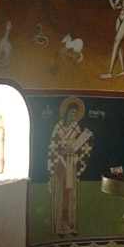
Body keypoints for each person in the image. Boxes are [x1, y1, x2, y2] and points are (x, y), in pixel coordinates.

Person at [48, 99, 93, 237]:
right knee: (60, 193)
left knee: (70, 193)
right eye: (72, 112)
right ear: (66, 112)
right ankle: (58, 226)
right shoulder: (58, 127)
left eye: (76, 113)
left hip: (71, 163)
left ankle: (70, 225)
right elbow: (52, 145)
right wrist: (61, 150)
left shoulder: (76, 127)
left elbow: (82, 145)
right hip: (59, 164)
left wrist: (84, 141)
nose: (73, 115)